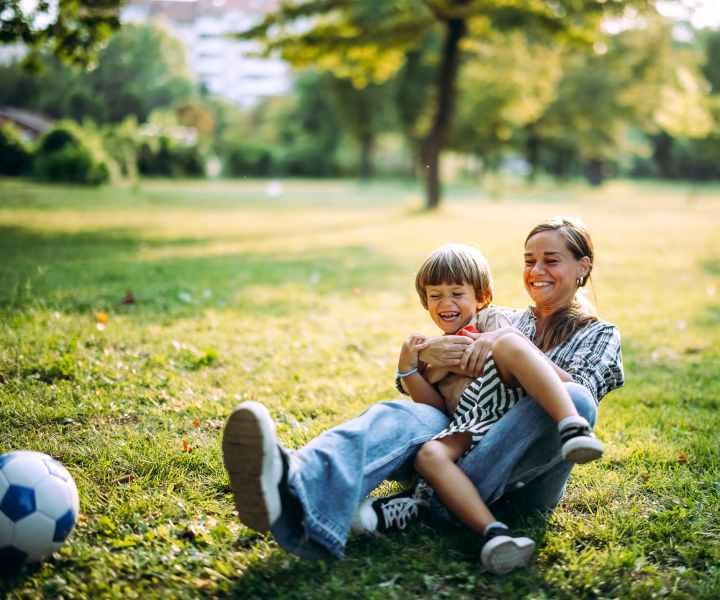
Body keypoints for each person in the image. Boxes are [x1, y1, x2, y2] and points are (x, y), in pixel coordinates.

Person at [221, 217, 623, 567]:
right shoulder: (503, 317)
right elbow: (442, 384)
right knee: (400, 414)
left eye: (550, 261)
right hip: (463, 441)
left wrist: (506, 347)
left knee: (577, 402)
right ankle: (293, 486)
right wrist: (416, 360)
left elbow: (581, 391)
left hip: (522, 472)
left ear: (582, 267)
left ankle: (429, 505)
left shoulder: (598, 333)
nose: (536, 270)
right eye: (529, 261)